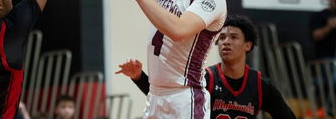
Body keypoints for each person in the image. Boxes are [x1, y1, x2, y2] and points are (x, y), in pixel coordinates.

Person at [117, 15, 297, 119]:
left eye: (233, 37)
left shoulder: (260, 85)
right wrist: (138, 76)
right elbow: (168, 97)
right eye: (222, 38)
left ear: (248, 45)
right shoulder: (205, 78)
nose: (226, 42)